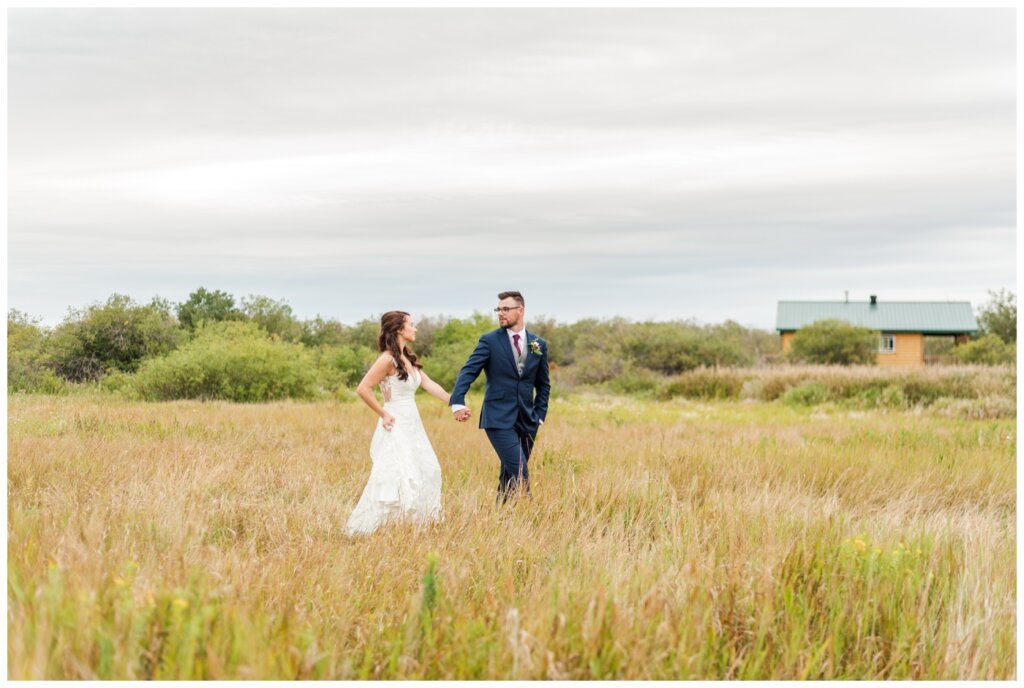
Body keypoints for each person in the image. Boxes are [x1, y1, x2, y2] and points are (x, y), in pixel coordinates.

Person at [345, 311, 457, 536]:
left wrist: (455, 403)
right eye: (411, 325)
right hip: (395, 421)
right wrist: (383, 414)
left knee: (428, 468)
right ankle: (381, 526)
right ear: (399, 329)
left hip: (413, 423)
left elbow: (428, 384)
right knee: (400, 472)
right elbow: (363, 388)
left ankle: (415, 524)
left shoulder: (408, 358)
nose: (415, 329)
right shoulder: (387, 359)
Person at [449, 291, 550, 502]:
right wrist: (457, 401)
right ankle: (532, 516)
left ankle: (502, 517)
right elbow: (469, 371)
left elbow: (543, 384)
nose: (500, 313)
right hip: (497, 418)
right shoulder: (489, 341)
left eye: (506, 309)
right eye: (499, 309)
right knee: (520, 470)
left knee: (509, 475)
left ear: (520, 310)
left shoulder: (538, 344)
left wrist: (539, 415)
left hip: (528, 420)